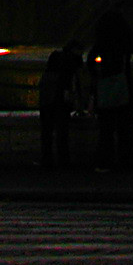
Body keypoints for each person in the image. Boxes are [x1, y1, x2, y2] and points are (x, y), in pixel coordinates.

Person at [88, 12, 133, 171]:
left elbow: (89, 61)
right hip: (125, 87)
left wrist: (97, 75)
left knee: (106, 129)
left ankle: (105, 162)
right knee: (126, 129)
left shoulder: (101, 43)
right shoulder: (126, 42)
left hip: (105, 87)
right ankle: (127, 162)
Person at [37, 39, 85, 170]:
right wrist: (79, 104)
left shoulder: (55, 56)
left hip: (47, 98)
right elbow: (77, 82)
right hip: (60, 99)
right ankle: (63, 161)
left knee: (47, 131)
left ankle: (47, 160)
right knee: (62, 132)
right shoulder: (75, 60)